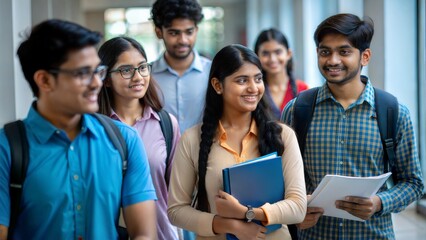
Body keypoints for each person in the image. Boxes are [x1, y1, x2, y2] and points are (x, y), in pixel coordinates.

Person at [0, 19, 157, 240]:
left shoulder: (124, 140)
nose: (96, 83)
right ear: (44, 80)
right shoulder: (7, 149)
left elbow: (144, 234)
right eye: (83, 73)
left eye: (98, 71)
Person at [281, 13, 424, 239]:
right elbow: (281, 178)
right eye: (325, 52)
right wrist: (295, 207)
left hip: (373, 235)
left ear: (365, 56)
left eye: (344, 52)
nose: (333, 60)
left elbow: (414, 183)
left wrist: (379, 202)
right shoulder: (297, 110)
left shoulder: (393, 112)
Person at [167, 44, 307, 240]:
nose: (253, 88)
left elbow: (298, 207)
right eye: (241, 80)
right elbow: (176, 210)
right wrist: (227, 224)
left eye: (258, 79)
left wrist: (247, 213)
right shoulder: (192, 139)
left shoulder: (283, 136)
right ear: (218, 85)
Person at [97, 36, 181, 240]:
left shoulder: (166, 124)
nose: (138, 77)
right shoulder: (95, 129)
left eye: (143, 67)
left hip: (163, 233)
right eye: (126, 70)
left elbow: (177, 195)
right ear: (106, 79)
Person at [150, 0, 212, 133]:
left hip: (206, 152)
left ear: (196, 30)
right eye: (174, 33)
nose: (183, 40)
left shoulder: (213, 72)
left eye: (189, 32)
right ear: (159, 32)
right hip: (163, 153)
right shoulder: (146, 77)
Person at [254, 28, 308, 119]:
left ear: (288, 54)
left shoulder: (304, 90)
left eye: (278, 52)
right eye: (265, 53)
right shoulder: (254, 91)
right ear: (256, 56)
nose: (272, 59)